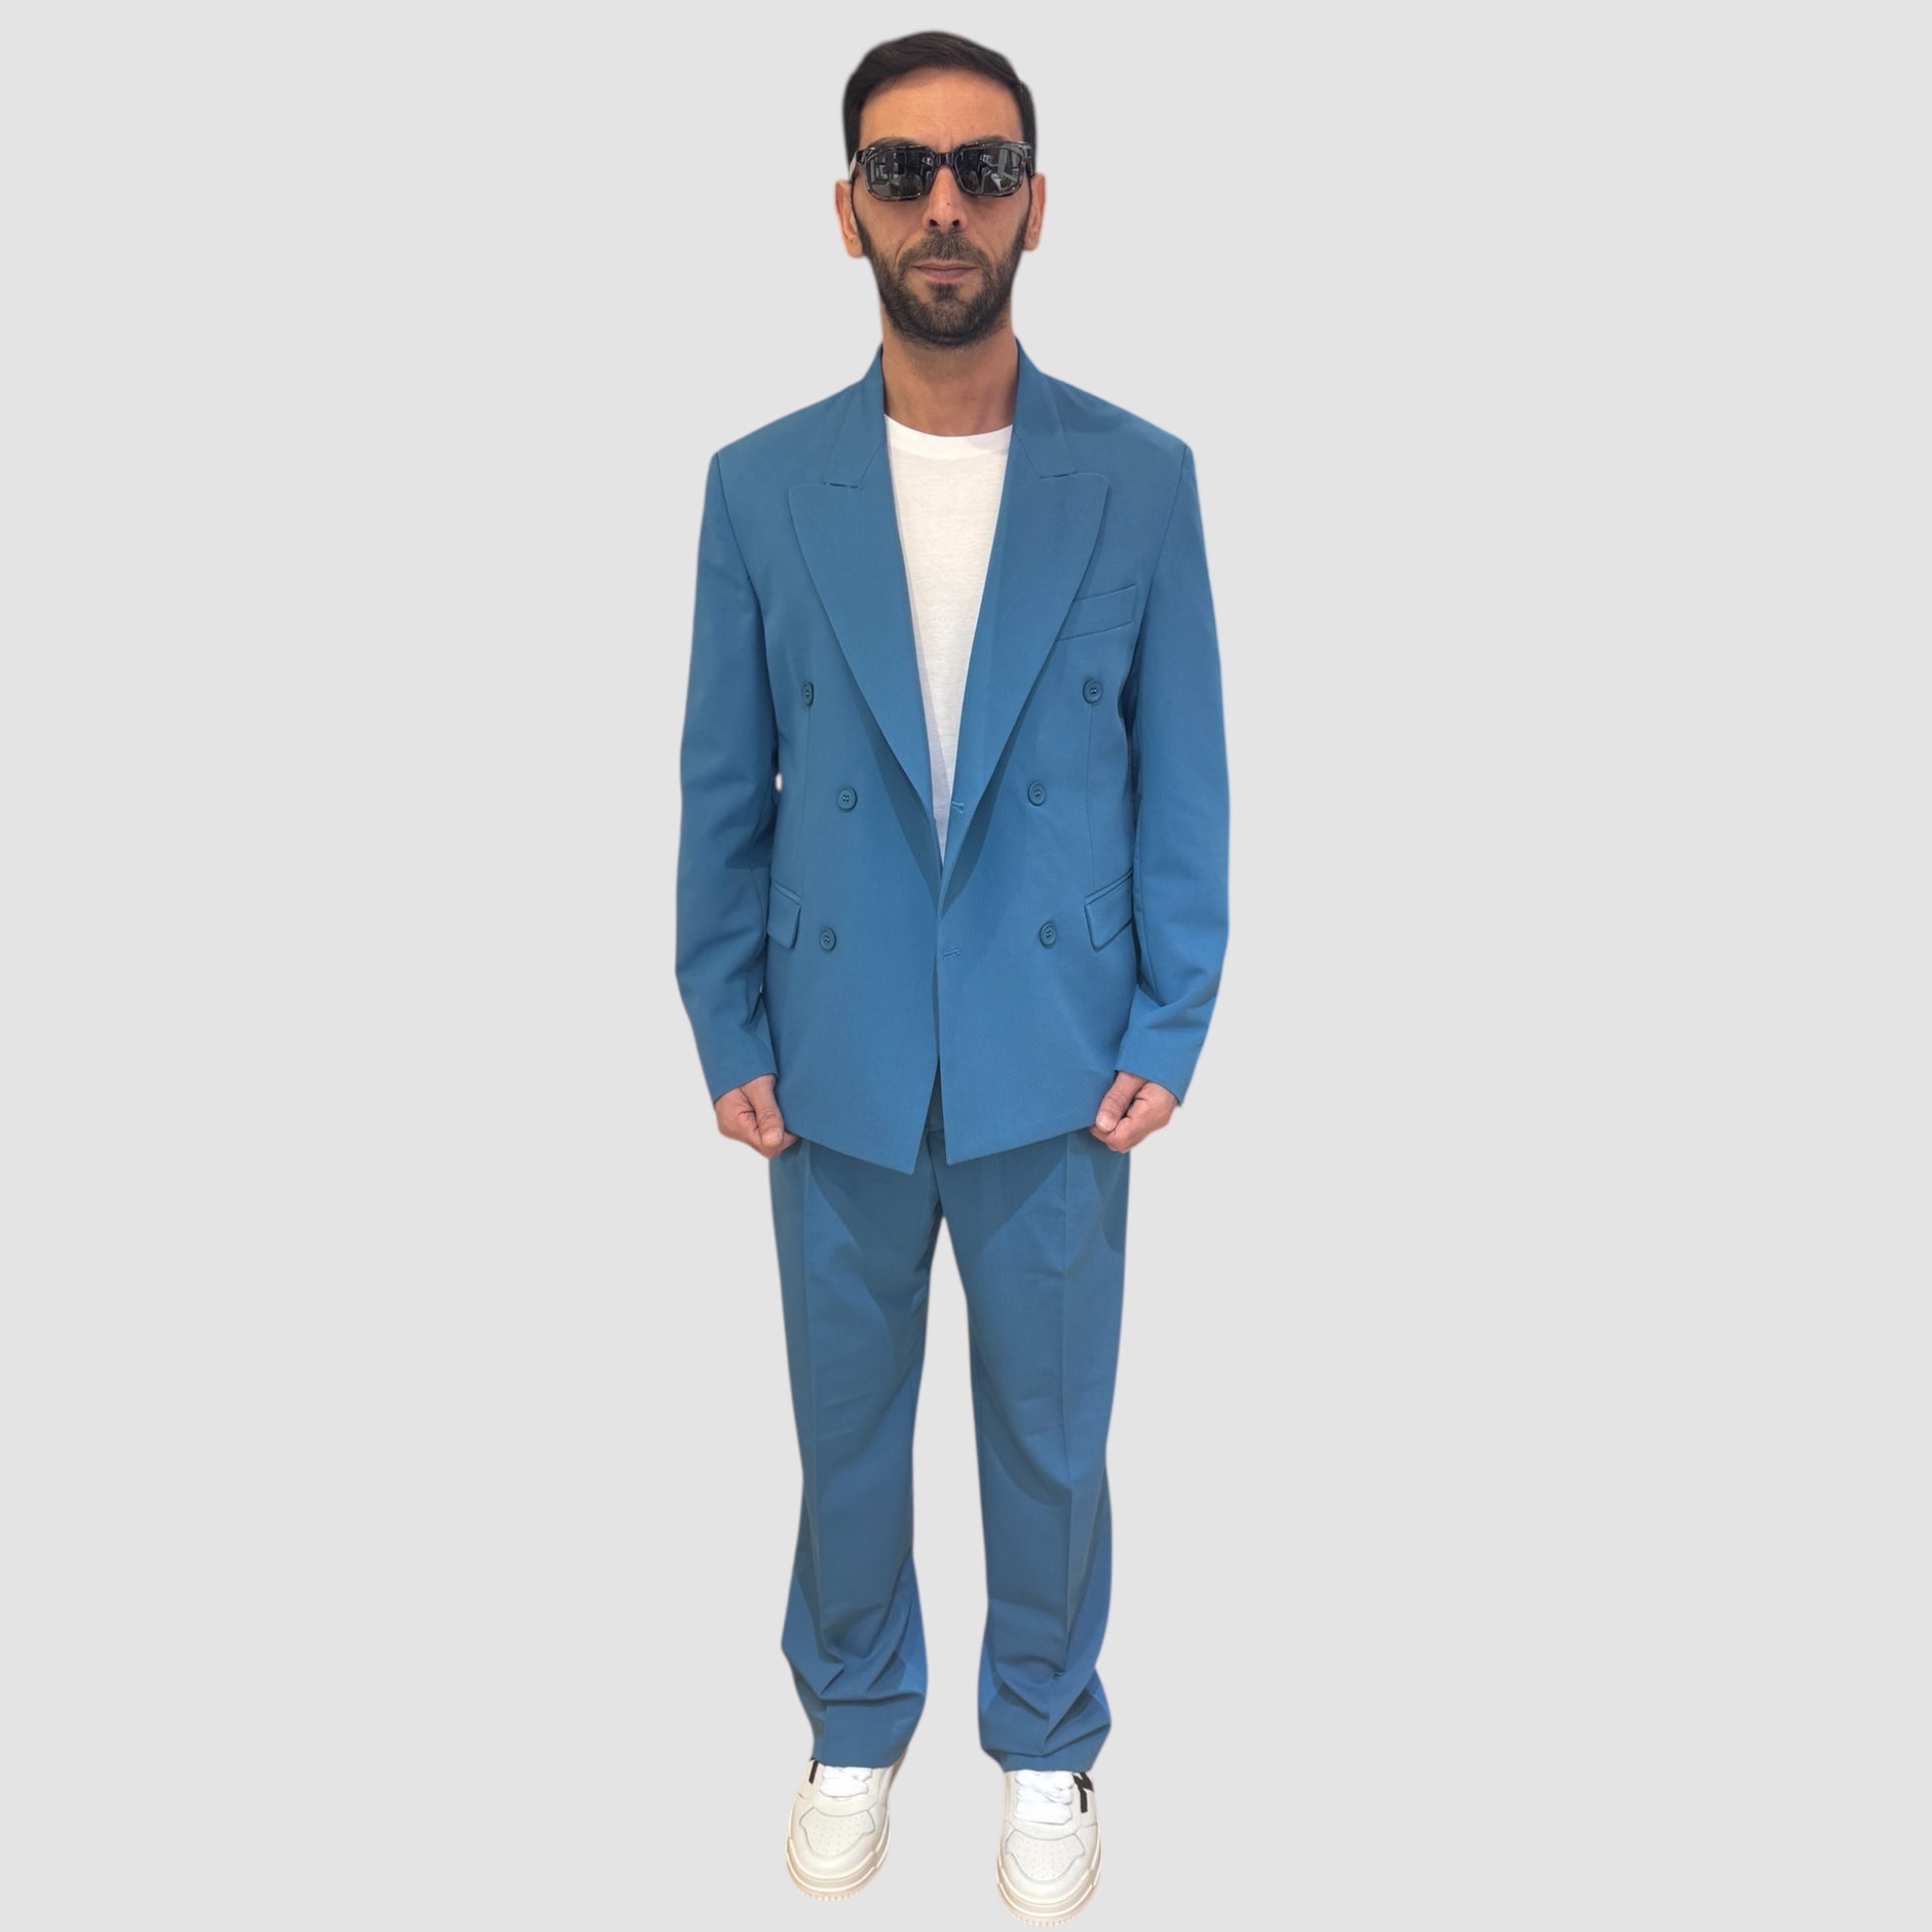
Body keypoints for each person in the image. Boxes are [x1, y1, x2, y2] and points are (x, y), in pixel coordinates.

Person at [673, 30, 1229, 1923]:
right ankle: (852, 1718)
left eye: (981, 170)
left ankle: (1046, 1734)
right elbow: (722, 778)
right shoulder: (760, 486)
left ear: (1035, 207)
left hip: (1057, 1053)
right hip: (829, 1047)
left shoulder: (1136, 478)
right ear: (845, 211)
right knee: (844, 1431)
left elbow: (1183, 771)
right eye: (899, 171)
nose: (941, 206)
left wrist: (1171, 1017)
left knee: (1048, 1439)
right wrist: (722, 1014)